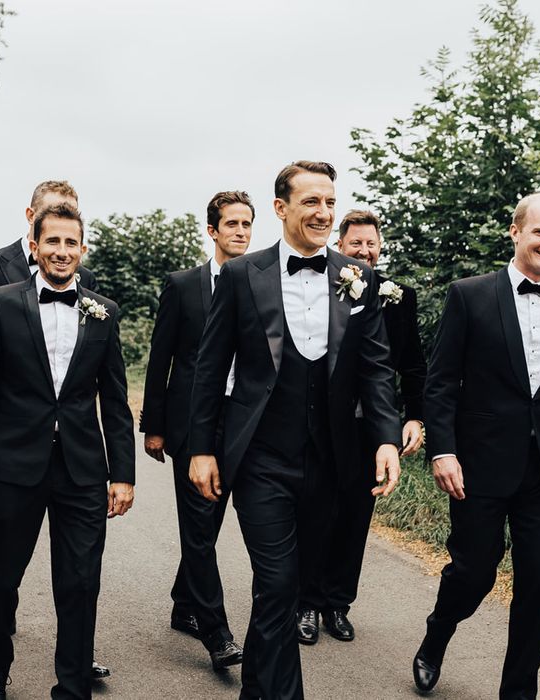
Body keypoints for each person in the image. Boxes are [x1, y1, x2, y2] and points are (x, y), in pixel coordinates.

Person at [188, 161, 402, 699]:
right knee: (280, 583)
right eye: (311, 202)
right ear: (281, 208)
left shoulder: (358, 279)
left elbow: (376, 368)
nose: (324, 213)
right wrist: (201, 449)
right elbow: (210, 369)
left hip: (330, 460)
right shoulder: (243, 276)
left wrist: (384, 438)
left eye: (330, 202)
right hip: (261, 457)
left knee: (284, 590)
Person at [0, 203, 135, 700]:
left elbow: (115, 401)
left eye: (70, 242)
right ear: (34, 246)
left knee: (80, 582)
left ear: (82, 249)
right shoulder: (1, 303)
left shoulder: (103, 312)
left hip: (81, 469)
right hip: (12, 465)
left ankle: (72, 686)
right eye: (51, 241)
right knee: (1, 575)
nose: (61, 251)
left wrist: (123, 472)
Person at [413, 192, 540, 700]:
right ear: (516, 233)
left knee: (537, 587)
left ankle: (518, 692)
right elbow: (441, 381)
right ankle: (437, 635)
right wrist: (443, 450)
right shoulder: (470, 294)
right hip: (480, 466)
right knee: (474, 572)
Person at [297, 209, 427, 644]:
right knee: (317, 512)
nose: (365, 250)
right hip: (323, 425)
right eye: (356, 243)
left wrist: (413, 416)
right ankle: (308, 602)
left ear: (380, 246)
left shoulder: (398, 296)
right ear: (340, 243)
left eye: (372, 243)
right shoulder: (322, 288)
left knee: (356, 516)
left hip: (370, 430)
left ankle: (338, 603)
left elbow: (412, 366)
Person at [140, 191, 253, 670]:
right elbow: (161, 357)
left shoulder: (258, 283)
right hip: (191, 424)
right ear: (212, 230)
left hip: (241, 422)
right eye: (231, 224)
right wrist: (154, 425)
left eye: (247, 224)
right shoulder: (183, 286)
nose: (241, 232)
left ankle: (184, 603)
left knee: (210, 521)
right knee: (199, 528)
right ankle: (217, 632)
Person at [0, 179, 98, 356]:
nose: (61, 219)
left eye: (70, 213)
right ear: (30, 215)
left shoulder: (86, 277)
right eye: (51, 212)